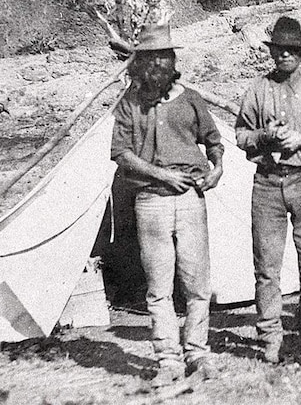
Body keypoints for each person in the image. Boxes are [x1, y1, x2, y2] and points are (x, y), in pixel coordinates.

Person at [110, 20, 223, 387]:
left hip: (190, 198)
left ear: (173, 60)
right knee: (159, 287)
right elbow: (122, 154)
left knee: (196, 283)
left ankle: (198, 354)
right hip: (151, 203)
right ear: (140, 62)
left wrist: (217, 169)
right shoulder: (130, 103)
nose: (158, 63)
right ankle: (168, 360)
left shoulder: (190, 98)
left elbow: (214, 141)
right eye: (151, 57)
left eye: (164, 56)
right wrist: (161, 176)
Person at [235, 16, 301, 363]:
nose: (285, 56)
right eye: (279, 50)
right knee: (267, 266)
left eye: (292, 50)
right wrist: (266, 136)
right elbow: (241, 136)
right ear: (272, 51)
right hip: (266, 184)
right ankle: (270, 339)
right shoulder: (257, 91)